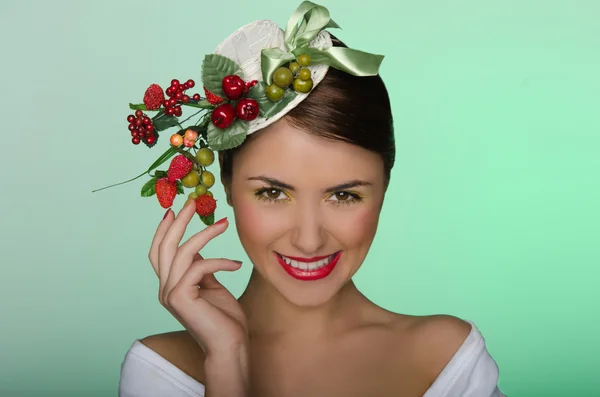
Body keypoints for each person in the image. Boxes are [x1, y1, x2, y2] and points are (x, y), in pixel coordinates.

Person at [117, 2, 506, 396]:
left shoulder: (446, 360)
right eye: (273, 192)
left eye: (343, 195)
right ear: (227, 181)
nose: (308, 240)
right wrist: (227, 361)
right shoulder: (161, 370)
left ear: (385, 186)